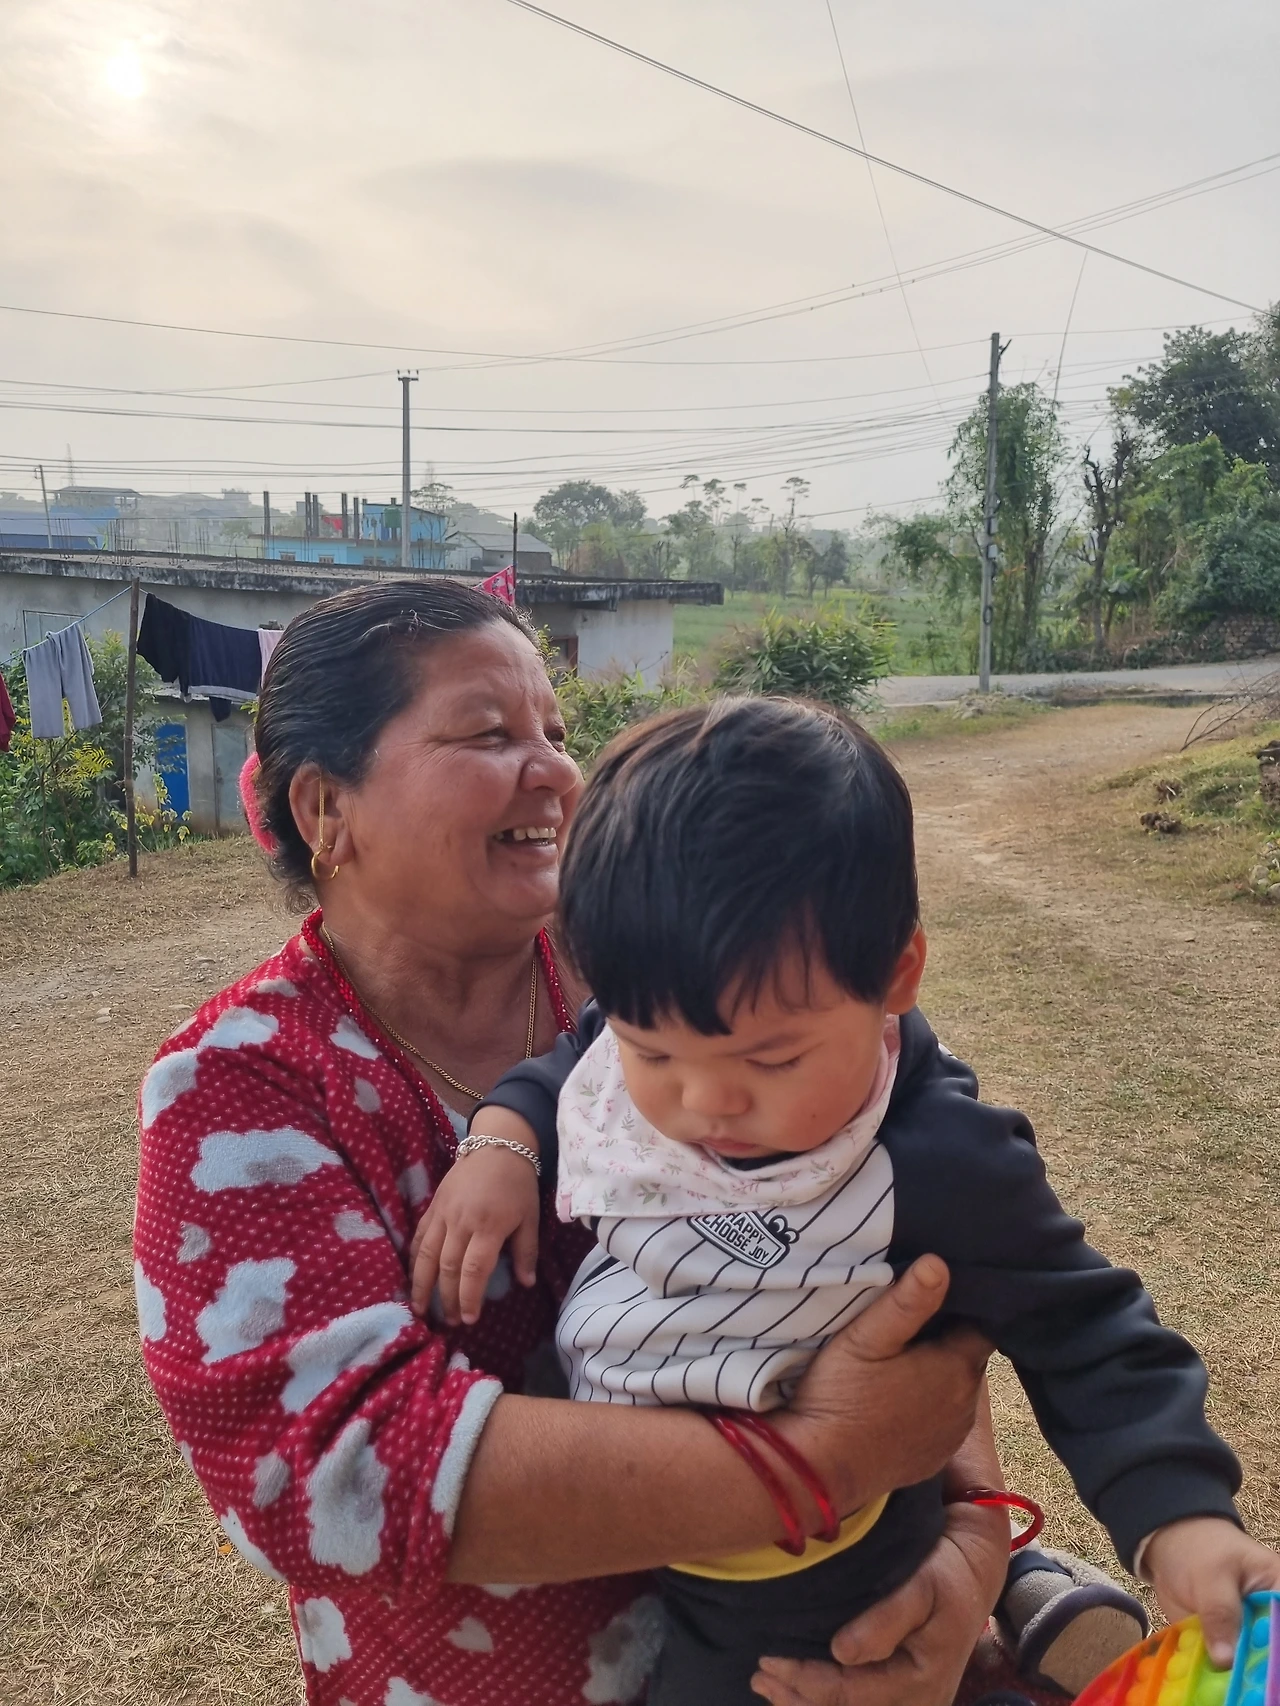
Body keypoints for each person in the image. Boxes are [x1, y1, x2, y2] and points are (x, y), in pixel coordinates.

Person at [134, 580, 1014, 1706]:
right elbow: (332, 1476)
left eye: (554, 730)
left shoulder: (646, 958)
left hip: (820, 1647)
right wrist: (823, 1460)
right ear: (325, 808)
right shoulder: (241, 1083)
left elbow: (897, 1188)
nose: (553, 768)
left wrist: (973, 1537)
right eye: (488, 733)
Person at [411, 695, 1280, 1706]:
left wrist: (1179, 1516)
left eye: (771, 1060)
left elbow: (1087, 1329)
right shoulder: (653, 1018)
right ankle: (1029, 1603)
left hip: (805, 1578)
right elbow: (574, 1065)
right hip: (640, 1505)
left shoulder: (935, 1155)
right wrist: (504, 1141)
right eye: (657, 1055)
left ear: (896, 973)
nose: (704, 1104)